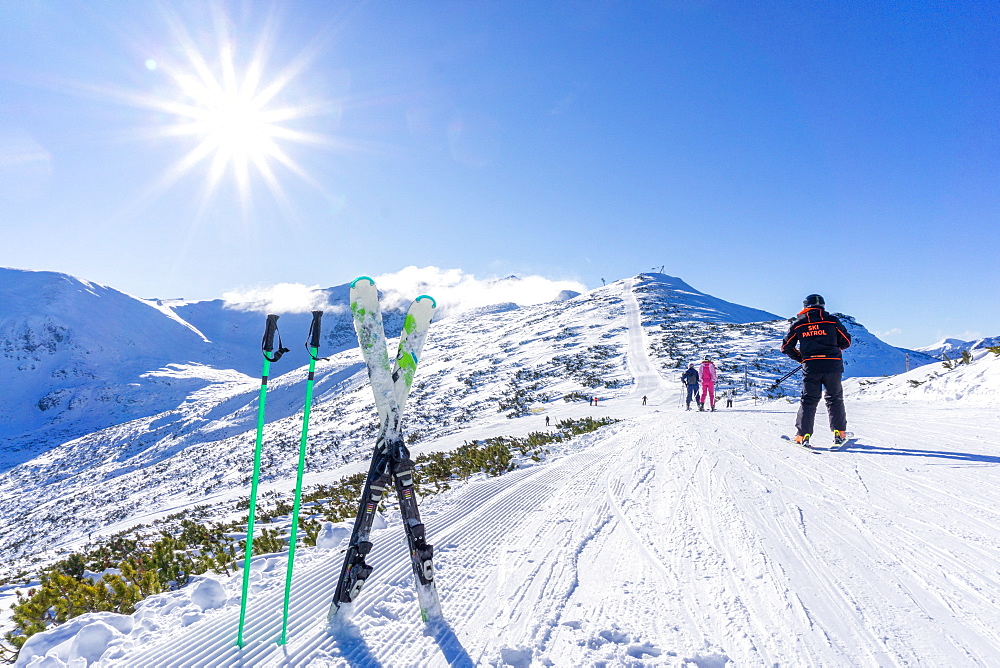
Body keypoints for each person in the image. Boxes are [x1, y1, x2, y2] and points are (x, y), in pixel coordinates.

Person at [780, 293, 852, 446]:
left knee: (809, 400)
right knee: (834, 399)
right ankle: (840, 434)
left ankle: (802, 436)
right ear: (823, 306)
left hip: (811, 366)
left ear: (805, 307)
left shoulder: (799, 323)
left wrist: (802, 358)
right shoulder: (832, 321)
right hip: (833, 365)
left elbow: (786, 347)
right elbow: (846, 341)